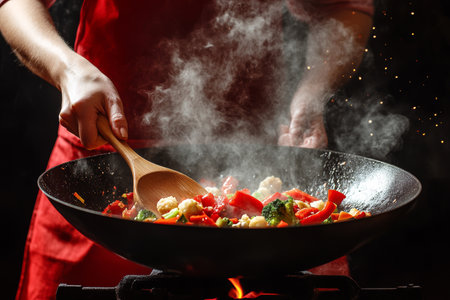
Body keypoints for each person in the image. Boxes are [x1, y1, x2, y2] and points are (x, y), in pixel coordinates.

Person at [0, 0, 373, 299]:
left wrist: (311, 93)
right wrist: (66, 69)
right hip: (103, 161)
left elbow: (343, 8)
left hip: (256, 154)